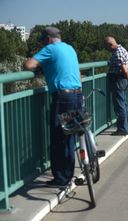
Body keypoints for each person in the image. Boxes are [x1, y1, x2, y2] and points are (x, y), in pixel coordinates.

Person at [24, 27, 83, 187]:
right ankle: (68, 173)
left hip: (63, 97)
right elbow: (76, 71)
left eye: (43, 40)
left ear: (48, 39)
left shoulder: (50, 49)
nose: (43, 43)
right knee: (69, 135)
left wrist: (40, 65)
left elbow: (29, 65)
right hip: (77, 94)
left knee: (59, 137)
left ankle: (62, 179)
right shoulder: (69, 48)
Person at [104, 36, 128, 135]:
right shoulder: (122, 50)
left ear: (110, 45)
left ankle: (122, 129)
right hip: (121, 80)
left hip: (118, 80)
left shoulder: (118, 53)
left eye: (106, 46)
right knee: (123, 103)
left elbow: (124, 67)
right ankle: (126, 127)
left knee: (119, 105)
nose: (106, 48)